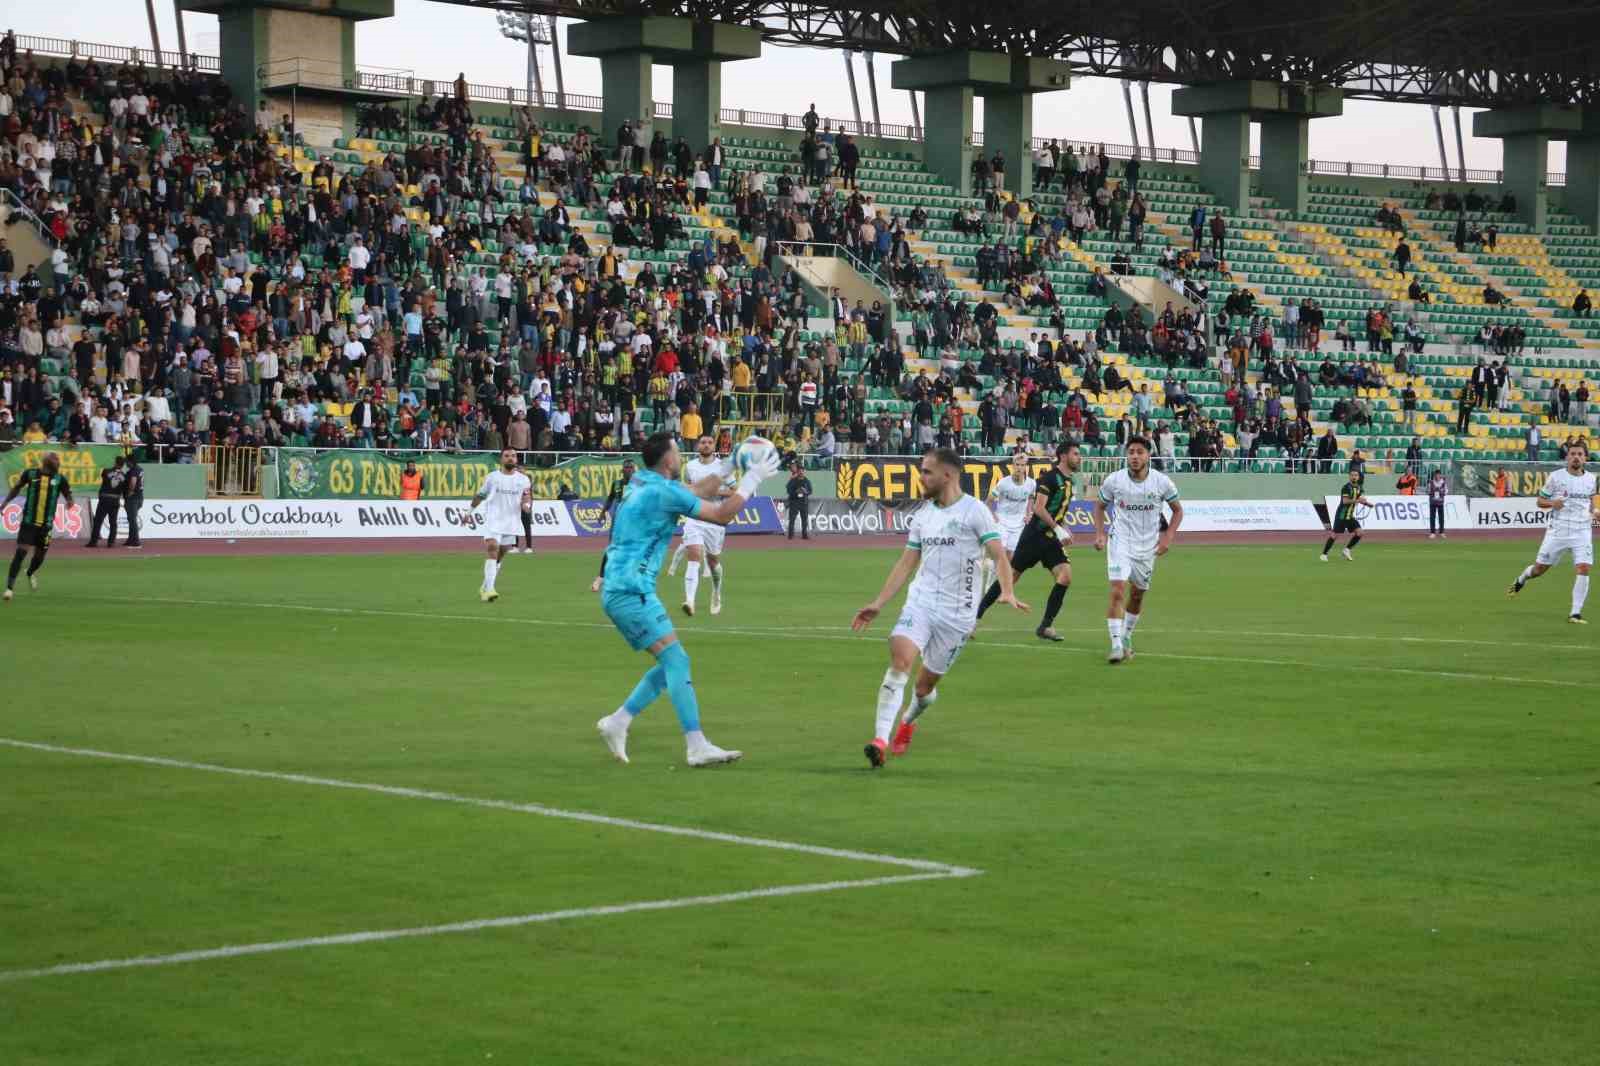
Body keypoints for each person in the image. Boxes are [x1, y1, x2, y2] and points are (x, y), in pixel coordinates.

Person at [594, 433, 776, 766]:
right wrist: (752, 478)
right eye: (677, 453)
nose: (681, 458)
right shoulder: (661, 491)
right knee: (677, 661)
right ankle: (696, 745)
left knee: (672, 663)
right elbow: (721, 515)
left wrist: (729, 464)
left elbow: (693, 492)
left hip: (625, 587)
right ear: (668, 461)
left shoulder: (641, 481)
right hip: (630, 590)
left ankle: (617, 722)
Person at [851, 448, 1027, 766]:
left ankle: (908, 721)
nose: (921, 477)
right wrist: (879, 603)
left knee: (923, 688)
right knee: (900, 659)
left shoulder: (975, 511)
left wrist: (1007, 591)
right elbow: (906, 563)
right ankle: (880, 739)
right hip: (921, 603)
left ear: (948, 475)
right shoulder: (923, 515)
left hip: (958, 614)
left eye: (927, 472)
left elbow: (998, 554)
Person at [977, 442, 1079, 642]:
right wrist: (1058, 528)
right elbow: (1039, 509)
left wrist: (1064, 527)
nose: (1079, 457)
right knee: (1009, 578)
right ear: (1064, 456)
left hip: (1050, 540)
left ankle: (1045, 626)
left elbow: (1058, 509)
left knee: (1065, 577)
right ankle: (974, 619)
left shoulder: (1068, 481)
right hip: (1034, 537)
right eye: (1076, 454)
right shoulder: (1048, 478)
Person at [1093, 438, 1182, 663]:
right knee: (1117, 590)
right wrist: (1100, 533)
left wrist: (1168, 538)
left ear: (1148, 455)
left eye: (1139, 452)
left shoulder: (1162, 482)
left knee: (1137, 594)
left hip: (1147, 547)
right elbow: (1100, 505)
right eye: (1131, 452)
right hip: (1120, 542)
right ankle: (1115, 646)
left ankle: (1126, 637)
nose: (1135, 456)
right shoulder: (1115, 480)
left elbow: (1178, 511)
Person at [1507, 441, 1595, 623]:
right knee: (1539, 569)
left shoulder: (1592, 479)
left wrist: (1595, 512)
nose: (1576, 457)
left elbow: (1592, 502)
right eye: (1573, 454)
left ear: (1585, 458)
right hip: (1558, 531)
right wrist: (1552, 504)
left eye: (1580, 454)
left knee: (1584, 568)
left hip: (1582, 531)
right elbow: (1540, 501)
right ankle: (1522, 578)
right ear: (1567, 457)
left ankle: (1575, 613)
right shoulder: (1556, 477)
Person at [671, 435, 733, 616]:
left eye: (709, 442)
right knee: (694, 557)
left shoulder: (723, 467)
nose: (706, 445)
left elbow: (734, 490)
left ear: (714, 446)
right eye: (703, 442)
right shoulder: (689, 466)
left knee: (713, 562)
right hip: (695, 517)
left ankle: (716, 592)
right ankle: (689, 601)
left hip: (714, 518)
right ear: (698, 445)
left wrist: (715, 491)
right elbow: (688, 489)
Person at [4, 453, 74, 601]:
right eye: (55, 464)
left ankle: (30, 572)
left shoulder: (60, 479)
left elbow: (68, 493)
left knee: (40, 556)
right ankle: (9, 588)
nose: (57, 467)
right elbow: (17, 488)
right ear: (47, 465)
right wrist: (4, 503)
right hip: (29, 522)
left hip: (46, 525)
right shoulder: (30, 474)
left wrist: (70, 501)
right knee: (21, 553)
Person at [468, 448, 531, 602]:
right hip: (493, 519)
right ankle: (490, 590)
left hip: (511, 521)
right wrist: (469, 511)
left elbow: (526, 497)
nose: (510, 458)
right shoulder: (492, 478)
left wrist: (526, 506)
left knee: (500, 555)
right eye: (507, 456)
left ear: (516, 459)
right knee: (492, 548)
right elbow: (480, 495)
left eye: (513, 456)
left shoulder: (523, 479)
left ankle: (484, 586)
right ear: (501, 459)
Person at [981, 451, 1037, 594]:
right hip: (1003, 522)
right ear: (1013, 466)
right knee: (1000, 553)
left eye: (1022, 465)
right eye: (1017, 465)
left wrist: (1028, 513)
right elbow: (987, 502)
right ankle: (989, 585)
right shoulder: (1003, 483)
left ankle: (1001, 585)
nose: (1019, 468)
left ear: (1026, 467)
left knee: (1011, 557)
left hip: (1018, 524)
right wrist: (993, 516)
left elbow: (1031, 498)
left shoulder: (1031, 484)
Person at [591, 459, 637, 593]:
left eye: (631, 468)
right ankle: (600, 578)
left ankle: (627, 579)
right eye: (627, 468)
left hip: (634, 523)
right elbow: (610, 498)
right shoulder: (616, 484)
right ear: (622, 470)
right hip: (618, 522)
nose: (629, 470)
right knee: (611, 549)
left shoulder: (639, 484)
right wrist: (602, 513)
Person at [1322, 469, 1371, 563]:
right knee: (1334, 535)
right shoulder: (1346, 487)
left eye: (1356, 475)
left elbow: (1358, 498)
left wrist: (1367, 504)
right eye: (1352, 475)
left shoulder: (1360, 487)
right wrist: (1358, 501)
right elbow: (1345, 501)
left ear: (1358, 477)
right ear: (1349, 476)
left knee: (1360, 533)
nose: (1354, 477)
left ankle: (1347, 550)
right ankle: (1324, 554)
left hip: (1350, 516)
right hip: (1342, 515)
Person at [85, 455, 127, 548]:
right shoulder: (124, 476)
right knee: (113, 522)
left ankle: (93, 541)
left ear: (115, 462)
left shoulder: (106, 471)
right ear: (123, 465)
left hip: (104, 499)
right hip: (115, 500)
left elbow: (104, 479)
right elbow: (124, 489)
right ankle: (111, 542)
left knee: (98, 521)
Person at [515, 459, 539, 554]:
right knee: (514, 528)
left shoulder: (526, 480)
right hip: (515, 507)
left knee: (527, 527)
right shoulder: (513, 479)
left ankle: (529, 547)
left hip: (525, 506)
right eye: (518, 469)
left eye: (522, 469)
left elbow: (528, 495)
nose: (520, 470)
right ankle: (515, 547)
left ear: (524, 470)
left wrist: (528, 506)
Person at [785, 460, 812, 541]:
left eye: (802, 471)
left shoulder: (807, 481)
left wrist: (805, 491)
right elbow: (788, 490)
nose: (801, 472)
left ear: (804, 472)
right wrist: (796, 492)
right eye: (799, 471)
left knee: (804, 520)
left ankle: (804, 535)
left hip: (804, 502)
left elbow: (810, 491)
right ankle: (790, 535)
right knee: (792, 519)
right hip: (794, 502)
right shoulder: (794, 480)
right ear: (798, 472)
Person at [123, 455, 145, 549]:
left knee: (132, 519)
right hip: (139, 496)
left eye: (127, 461)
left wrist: (130, 492)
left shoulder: (133, 470)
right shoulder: (140, 469)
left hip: (133, 498)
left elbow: (133, 481)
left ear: (130, 462)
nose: (125, 463)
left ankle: (135, 541)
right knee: (131, 518)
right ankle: (131, 539)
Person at [1426, 468, 1448, 539]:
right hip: (1433, 502)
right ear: (1434, 475)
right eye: (1436, 475)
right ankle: (1432, 532)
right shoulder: (1431, 482)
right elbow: (1428, 491)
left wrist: (1442, 491)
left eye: (1439, 475)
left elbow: (1447, 491)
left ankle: (1441, 532)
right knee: (1432, 517)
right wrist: (1432, 491)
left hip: (1440, 502)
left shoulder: (1443, 483)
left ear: (1440, 475)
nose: (1437, 476)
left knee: (1441, 518)